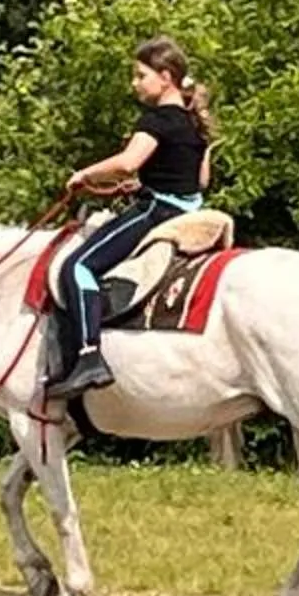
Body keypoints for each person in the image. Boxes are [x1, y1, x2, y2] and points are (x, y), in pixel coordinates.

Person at [50, 37, 214, 398]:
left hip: (158, 211)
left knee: (76, 268)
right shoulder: (192, 122)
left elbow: (127, 162)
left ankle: (88, 355)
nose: (135, 84)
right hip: (191, 210)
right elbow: (201, 180)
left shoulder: (157, 119)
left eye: (141, 75)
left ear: (166, 76)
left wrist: (85, 175)